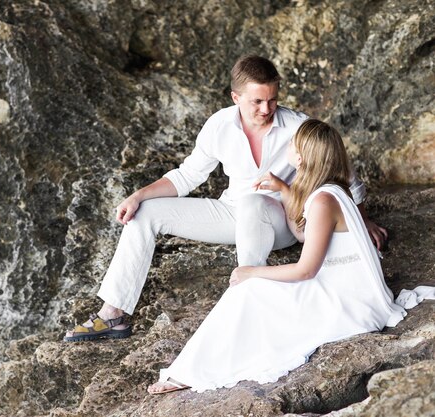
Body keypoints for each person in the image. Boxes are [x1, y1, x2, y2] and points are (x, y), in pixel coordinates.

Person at [63, 55, 387, 342]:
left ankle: (247, 304)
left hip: (282, 219)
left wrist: (360, 219)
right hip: (231, 212)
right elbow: (187, 176)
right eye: (257, 101)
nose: (267, 109)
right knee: (145, 212)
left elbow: (341, 169)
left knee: (253, 202)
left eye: (273, 100)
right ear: (236, 97)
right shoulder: (219, 126)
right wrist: (138, 195)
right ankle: (113, 316)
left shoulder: (298, 126)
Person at [147, 119, 425, 394]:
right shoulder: (330, 191)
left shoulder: (323, 200)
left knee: (248, 290)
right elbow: (303, 233)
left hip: (346, 302)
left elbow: (306, 270)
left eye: (292, 143)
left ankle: (189, 372)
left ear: (301, 157)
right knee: (252, 294)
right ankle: (191, 368)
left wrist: (252, 271)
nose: (288, 146)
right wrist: (283, 189)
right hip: (343, 288)